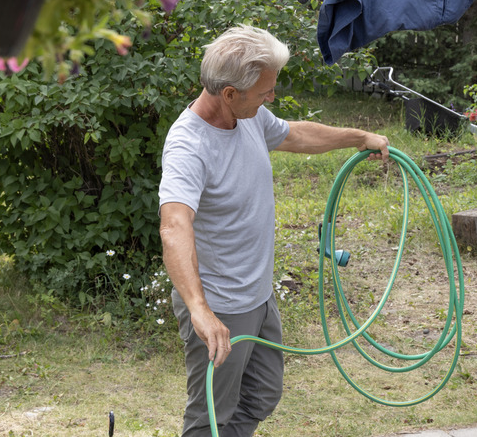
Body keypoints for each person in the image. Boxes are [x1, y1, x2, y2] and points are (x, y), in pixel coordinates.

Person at [158, 25, 389, 437]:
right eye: (265, 92)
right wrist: (199, 309)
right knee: (210, 416)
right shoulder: (188, 147)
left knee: (264, 393)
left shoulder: (247, 116)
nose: (272, 98)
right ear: (229, 93)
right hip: (222, 305)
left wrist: (358, 137)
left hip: (259, 295)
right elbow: (174, 226)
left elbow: (293, 133)